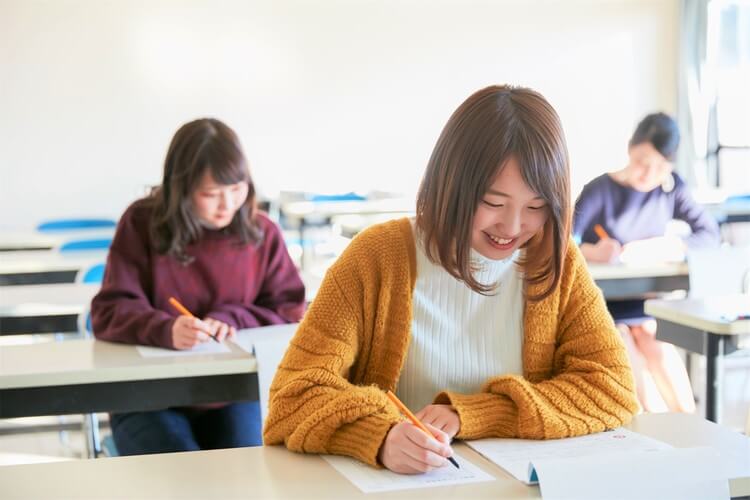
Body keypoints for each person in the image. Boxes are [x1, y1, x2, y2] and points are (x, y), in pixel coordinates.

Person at [264, 85, 638, 474]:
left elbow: (612, 389)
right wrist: (379, 436)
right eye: (493, 203)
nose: (511, 227)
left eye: (536, 207)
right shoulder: (378, 257)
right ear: (451, 185)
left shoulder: (556, 261)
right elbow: (293, 397)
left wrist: (475, 413)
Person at [91, 118, 306, 455]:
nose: (227, 205)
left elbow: (289, 309)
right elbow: (110, 310)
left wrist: (232, 318)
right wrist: (165, 329)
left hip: (232, 393)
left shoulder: (261, 231)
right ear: (182, 187)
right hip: (148, 395)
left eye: (237, 189)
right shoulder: (140, 222)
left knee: (245, 467)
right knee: (180, 469)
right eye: (211, 194)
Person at [573, 112, 720, 413]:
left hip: (645, 302)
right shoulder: (600, 189)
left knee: (654, 340)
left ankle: (689, 425)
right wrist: (592, 251)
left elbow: (709, 233)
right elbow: (564, 240)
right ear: (630, 149)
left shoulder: (670, 188)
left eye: (659, 166)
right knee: (625, 344)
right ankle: (648, 428)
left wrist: (671, 246)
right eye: (642, 161)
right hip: (601, 303)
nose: (648, 173)